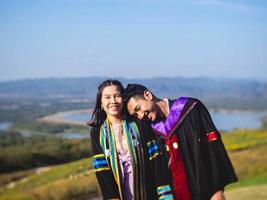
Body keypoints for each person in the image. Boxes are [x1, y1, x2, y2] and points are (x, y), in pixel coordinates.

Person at [124, 83, 238, 200]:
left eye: (138, 108)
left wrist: (217, 189)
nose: (140, 116)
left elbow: (213, 148)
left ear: (147, 95)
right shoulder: (152, 130)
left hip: (205, 191)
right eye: (136, 114)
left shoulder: (191, 109)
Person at [88, 80, 174, 200]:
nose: (113, 101)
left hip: (149, 194)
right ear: (101, 103)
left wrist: (164, 195)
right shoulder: (97, 133)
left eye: (117, 96)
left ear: (123, 100)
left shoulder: (139, 123)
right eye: (107, 97)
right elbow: (102, 172)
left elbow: (156, 160)